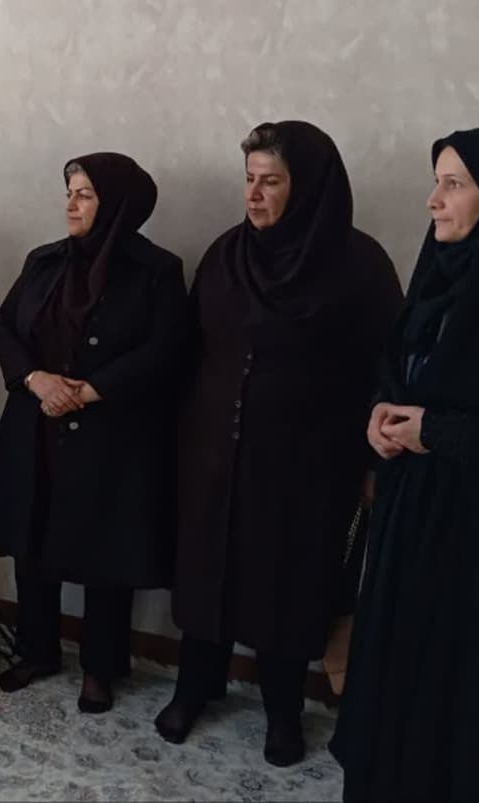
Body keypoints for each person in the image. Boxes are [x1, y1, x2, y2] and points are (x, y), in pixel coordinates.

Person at [156, 121, 404, 766]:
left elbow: (388, 371)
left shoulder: (360, 267)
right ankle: (194, 688)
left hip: (308, 469)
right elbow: (191, 350)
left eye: (271, 181)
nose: (254, 195)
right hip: (215, 457)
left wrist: (373, 464)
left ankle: (283, 712)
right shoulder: (225, 255)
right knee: (207, 576)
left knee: (287, 588)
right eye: (249, 179)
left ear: (310, 187)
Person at [0, 153, 186, 712]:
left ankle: (101, 666)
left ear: (117, 204)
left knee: (105, 553)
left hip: (112, 435)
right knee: (32, 539)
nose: (71, 204)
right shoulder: (44, 261)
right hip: (36, 424)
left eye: (85, 194)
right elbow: (4, 325)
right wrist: (36, 379)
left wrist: (90, 391)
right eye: (69, 192)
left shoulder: (156, 271)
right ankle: (38, 650)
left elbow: (168, 349)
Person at [331, 128, 479, 801]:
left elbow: (443, 413)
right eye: (435, 182)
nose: (433, 200)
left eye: (454, 185)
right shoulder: (435, 277)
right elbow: (394, 370)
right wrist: (379, 414)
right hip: (409, 514)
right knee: (397, 664)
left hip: (466, 532)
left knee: (450, 684)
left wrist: (436, 431)